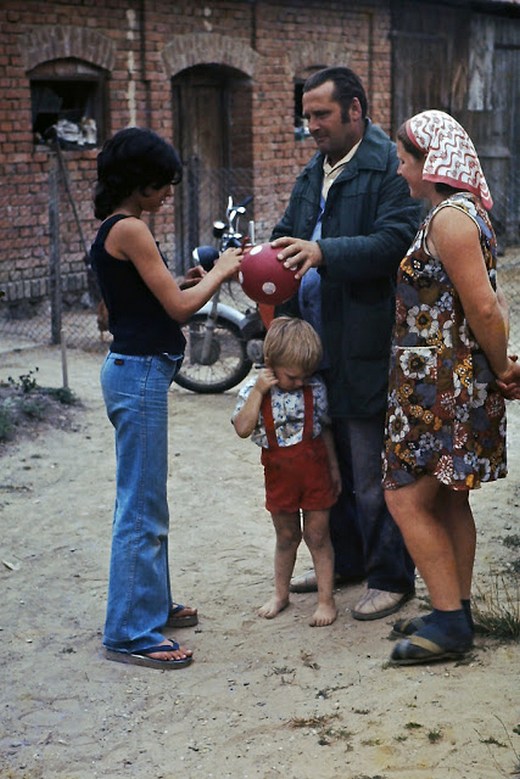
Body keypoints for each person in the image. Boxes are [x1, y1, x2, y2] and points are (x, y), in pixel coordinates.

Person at [271, 66, 421, 620]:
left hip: (364, 340)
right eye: (307, 115)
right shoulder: (316, 169)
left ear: (355, 110)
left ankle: (390, 576)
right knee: (327, 470)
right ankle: (350, 562)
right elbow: (284, 233)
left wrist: (324, 252)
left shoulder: (388, 167)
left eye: (321, 115)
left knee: (369, 472)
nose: (311, 125)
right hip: (315, 347)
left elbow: (396, 240)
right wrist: (251, 266)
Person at [90, 127, 242, 669]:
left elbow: (137, 303)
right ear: (139, 180)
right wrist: (222, 272)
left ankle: (148, 602)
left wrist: (180, 281)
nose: (168, 194)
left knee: (142, 499)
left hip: (133, 371)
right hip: (139, 375)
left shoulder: (115, 227)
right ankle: (130, 632)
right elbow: (180, 310)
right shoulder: (131, 228)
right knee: (142, 506)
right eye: (163, 184)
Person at [383, 109, 520, 665]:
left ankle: (447, 623)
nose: (399, 170)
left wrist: (503, 366)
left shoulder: (450, 221)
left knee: (404, 497)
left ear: (432, 162)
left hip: (444, 387)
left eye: (405, 159)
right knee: (450, 496)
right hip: (442, 382)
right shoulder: (452, 215)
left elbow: (484, 307)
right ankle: (453, 610)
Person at [232, 317, 341, 627]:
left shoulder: (314, 389)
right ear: (269, 363)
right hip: (280, 476)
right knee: (286, 536)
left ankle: (325, 600)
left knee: (318, 536)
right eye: (293, 376)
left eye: (306, 376)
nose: (300, 382)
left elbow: (326, 431)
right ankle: (281, 594)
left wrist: (334, 470)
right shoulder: (254, 391)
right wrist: (259, 391)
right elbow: (242, 428)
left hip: (316, 473)